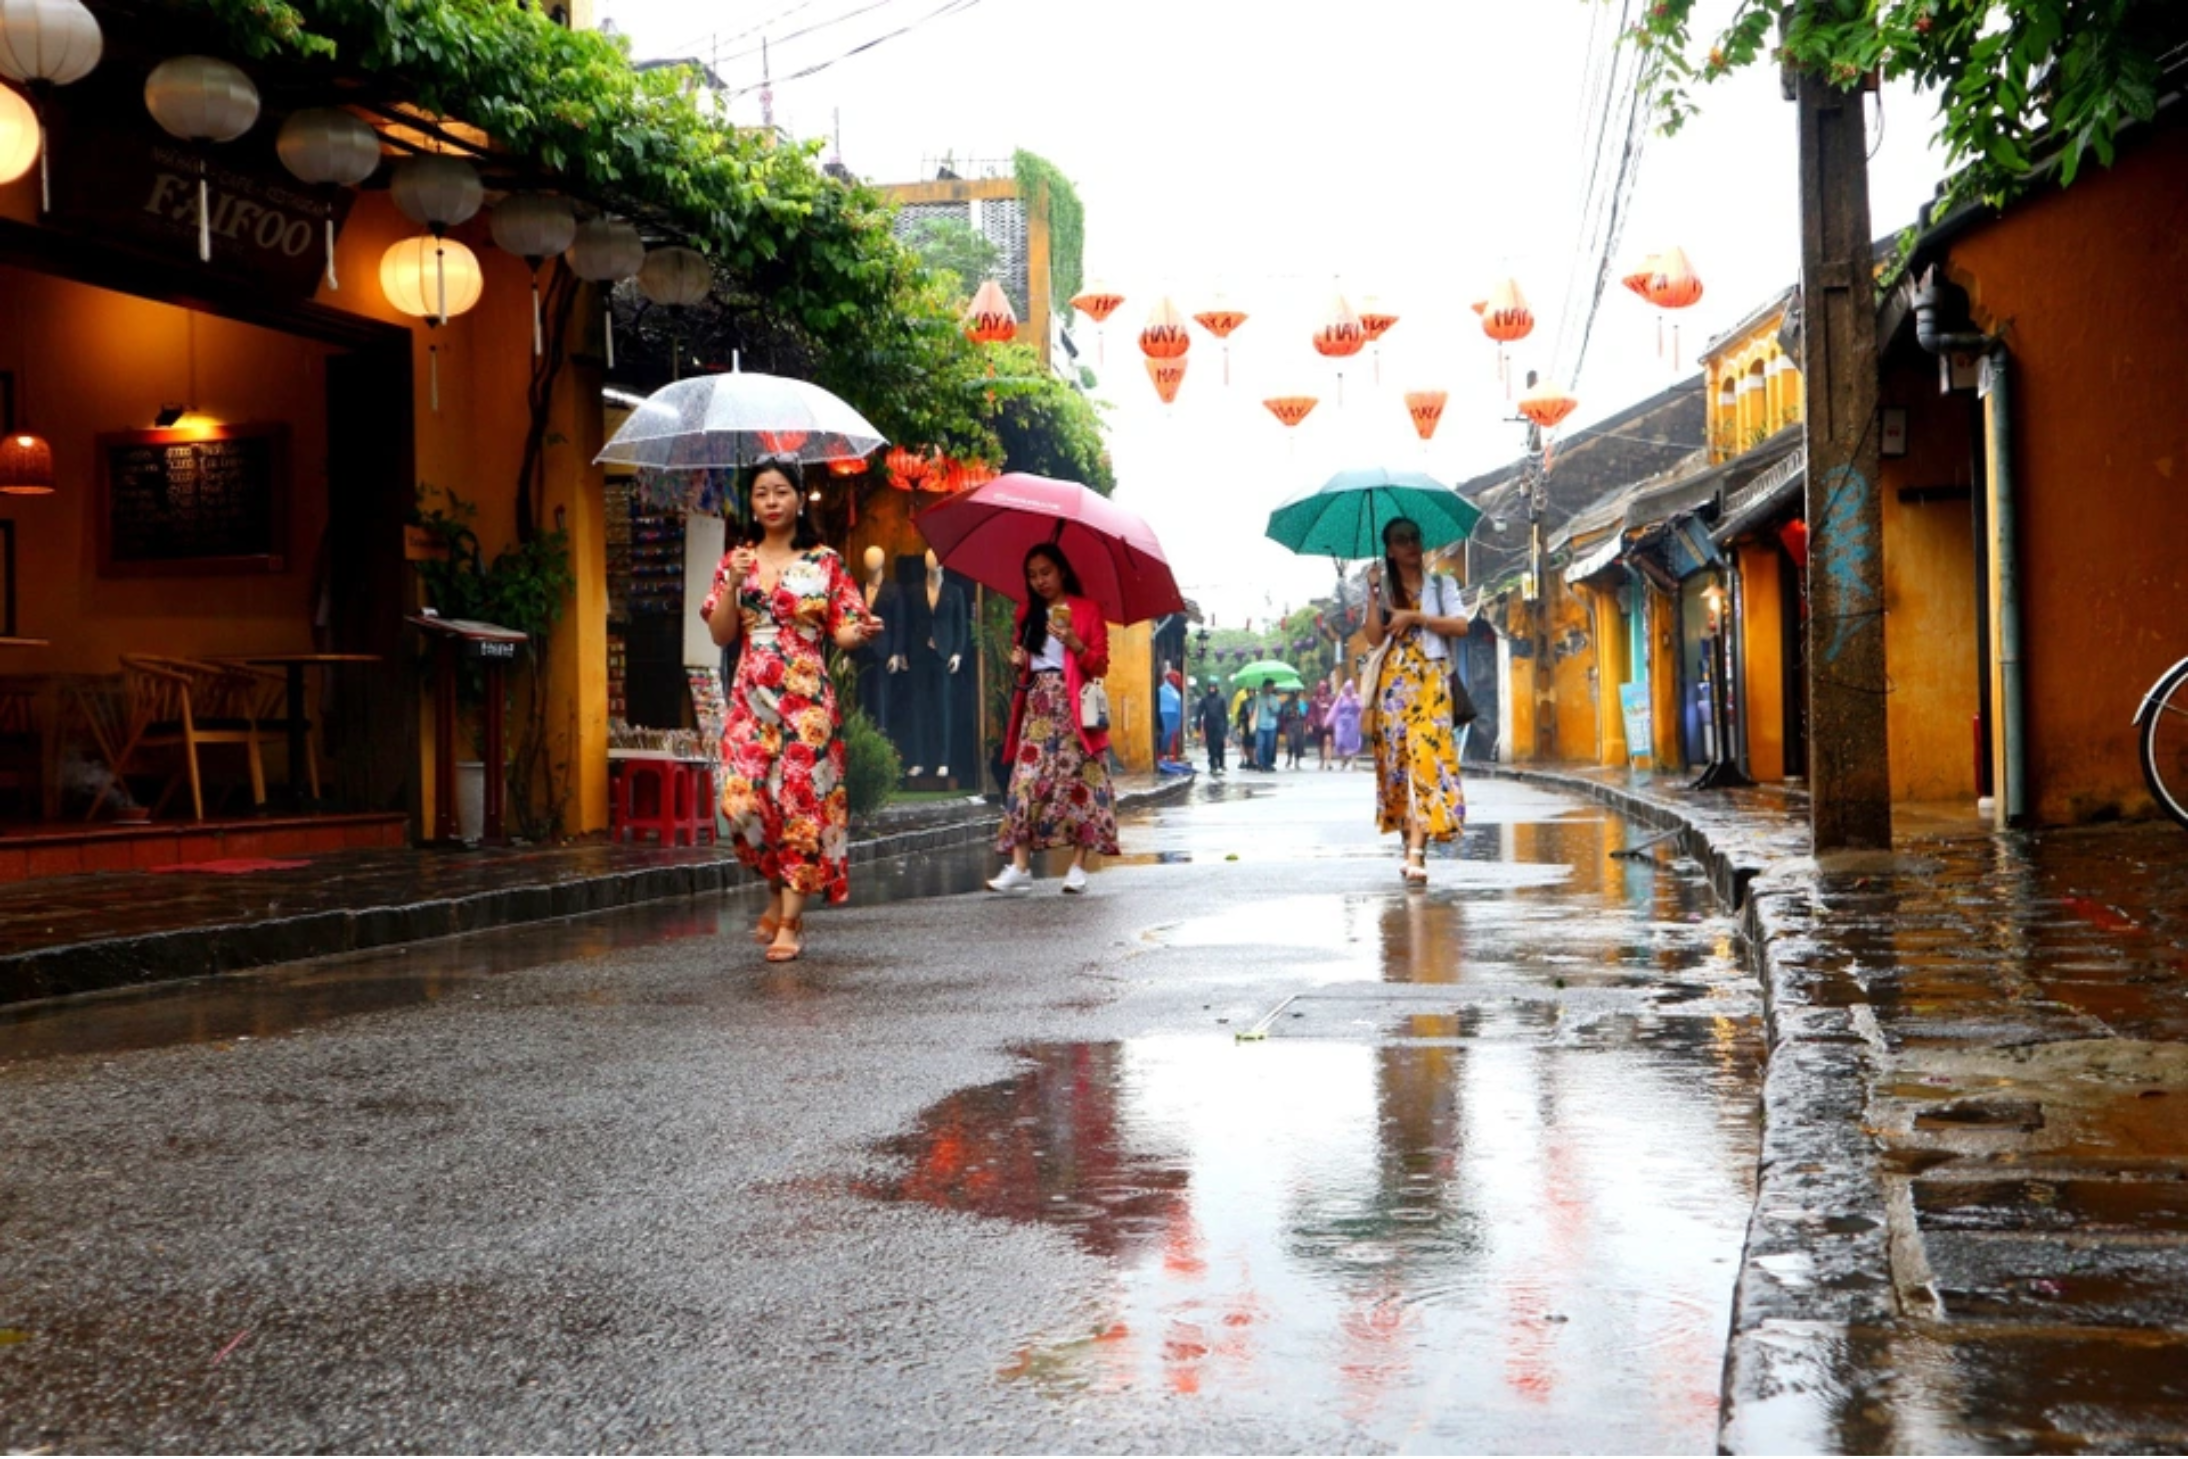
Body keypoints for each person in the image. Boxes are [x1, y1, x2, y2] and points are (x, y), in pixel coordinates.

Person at [702, 453, 884, 962]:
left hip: (806, 702)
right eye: (762, 493)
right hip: (749, 699)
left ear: (799, 499)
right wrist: (733, 586)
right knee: (741, 803)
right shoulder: (734, 562)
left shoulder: (823, 561)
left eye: (781, 491)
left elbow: (843, 631)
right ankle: (775, 892)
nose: (772, 501)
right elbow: (720, 634)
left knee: (800, 804)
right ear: (752, 504)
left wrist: (862, 633)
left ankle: (790, 921)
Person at [989, 543, 1118, 894]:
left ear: (1062, 571)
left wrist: (1076, 642)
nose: (1040, 581)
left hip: (1075, 705)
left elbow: (1100, 665)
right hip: (1037, 705)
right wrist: (1018, 662)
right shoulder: (1026, 614)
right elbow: (1025, 663)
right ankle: (1019, 866)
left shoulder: (1088, 610)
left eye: (1046, 572)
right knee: (1025, 783)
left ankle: (1078, 866)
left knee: (1083, 784)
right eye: (1032, 576)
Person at [1364, 516, 1469, 886]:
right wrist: (1374, 593)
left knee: (1428, 762)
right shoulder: (1386, 590)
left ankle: (1417, 853)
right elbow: (1374, 638)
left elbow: (1461, 625)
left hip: (1432, 682)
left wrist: (1417, 617)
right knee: (1396, 770)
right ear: (1390, 549)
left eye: (1415, 536)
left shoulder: (1442, 585)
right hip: (1394, 687)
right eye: (1401, 540)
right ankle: (1409, 840)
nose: (1411, 544)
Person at [1331, 677, 1364, 771]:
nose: (1347, 690)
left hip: (1352, 721)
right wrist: (1330, 720)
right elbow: (1334, 709)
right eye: (1346, 688)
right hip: (1341, 722)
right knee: (1339, 741)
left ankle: (1354, 764)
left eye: (1349, 688)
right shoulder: (1341, 698)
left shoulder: (1356, 697)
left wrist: (1354, 701)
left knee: (1353, 742)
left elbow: (1360, 708)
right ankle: (1344, 759)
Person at [1198, 682, 1229, 775]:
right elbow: (1199, 711)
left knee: (1219, 744)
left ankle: (1221, 762)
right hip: (1209, 725)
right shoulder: (1204, 699)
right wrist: (1197, 723)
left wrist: (1226, 727)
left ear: (1216, 688)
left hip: (1219, 725)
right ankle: (1212, 765)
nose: (1212, 689)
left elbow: (1224, 714)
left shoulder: (1221, 699)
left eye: (1213, 687)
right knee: (1211, 746)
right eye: (1210, 687)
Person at [1157, 663, 1183, 766]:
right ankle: (1167, 758)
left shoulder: (1163, 689)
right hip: (1169, 719)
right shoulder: (1174, 693)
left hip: (1163, 717)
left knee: (1164, 739)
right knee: (1169, 740)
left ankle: (1163, 757)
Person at [1252, 678, 1281, 772]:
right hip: (1260, 725)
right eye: (1269, 687)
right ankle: (1261, 764)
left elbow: (1277, 711)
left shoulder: (1274, 698)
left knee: (1269, 746)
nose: (1271, 688)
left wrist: (1271, 708)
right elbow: (1252, 709)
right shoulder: (1258, 698)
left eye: (1272, 687)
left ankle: (1268, 764)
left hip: (1271, 726)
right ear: (1265, 687)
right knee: (1260, 745)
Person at [1310, 679, 1336, 769]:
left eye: (1324, 687)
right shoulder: (1314, 700)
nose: (1322, 690)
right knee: (1320, 744)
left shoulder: (1331, 699)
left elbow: (1334, 711)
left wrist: (1329, 709)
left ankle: (1329, 762)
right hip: (1318, 725)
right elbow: (1311, 713)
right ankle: (1322, 761)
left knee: (1328, 741)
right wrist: (1311, 724)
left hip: (1328, 725)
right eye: (1321, 687)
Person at [1281, 690, 1307, 769]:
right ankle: (1289, 757)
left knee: (1299, 743)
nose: (1294, 695)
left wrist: (1299, 711)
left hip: (1299, 724)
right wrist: (1290, 712)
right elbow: (1283, 714)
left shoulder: (1301, 703)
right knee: (1290, 742)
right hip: (1290, 725)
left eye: (1296, 694)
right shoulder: (1286, 704)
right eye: (1292, 694)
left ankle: (1297, 762)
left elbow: (1304, 714)